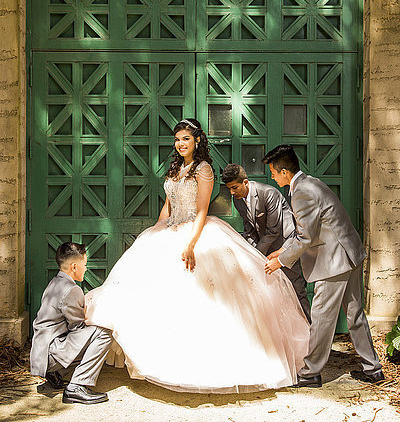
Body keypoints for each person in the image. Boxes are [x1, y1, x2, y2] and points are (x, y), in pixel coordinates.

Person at [85, 119, 310, 393]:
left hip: (197, 233)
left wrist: (191, 244)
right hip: (169, 231)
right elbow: (168, 206)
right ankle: (157, 357)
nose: (180, 144)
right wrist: (154, 232)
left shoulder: (204, 170)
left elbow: (202, 210)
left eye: (186, 139)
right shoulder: (175, 168)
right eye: (177, 139)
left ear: (197, 141)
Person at [263, 144, 384, 387]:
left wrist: (280, 261)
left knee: (321, 317)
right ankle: (373, 370)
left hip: (334, 261)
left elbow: (306, 237)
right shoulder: (310, 183)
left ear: (285, 172)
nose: (273, 177)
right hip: (348, 254)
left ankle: (310, 373)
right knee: (355, 314)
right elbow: (307, 232)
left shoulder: (301, 193)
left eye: (274, 173)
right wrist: (282, 249)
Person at [221, 163, 311, 322]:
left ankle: (313, 334)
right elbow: (249, 230)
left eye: (234, 187)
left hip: (285, 246)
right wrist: (248, 253)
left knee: (297, 292)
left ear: (245, 182)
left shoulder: (268, 193)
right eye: (229, 188)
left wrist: (255, 255)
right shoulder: (238, 200)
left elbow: (273, 231)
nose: (231, 192)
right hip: (265, 251)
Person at [30, 242, 113, 404]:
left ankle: (55, 375)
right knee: (104, 332)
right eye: (84, 264)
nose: (86, 268)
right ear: (74, 267)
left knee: (90, 334)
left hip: (40, 352)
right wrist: (93, 313)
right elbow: (77, 328)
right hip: (52, 353)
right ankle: (77, 385)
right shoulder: (72, 289)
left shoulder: (55, 283)